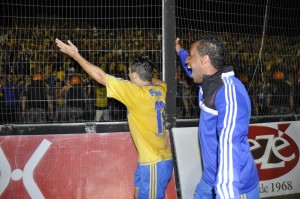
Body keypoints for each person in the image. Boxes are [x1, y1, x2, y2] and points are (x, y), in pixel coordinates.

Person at [55, 38, 173, 199]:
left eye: (130, 72)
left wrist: (76, 55)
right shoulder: (161, 89)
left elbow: (101, 77)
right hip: (152, 160)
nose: (128, 75)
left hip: (154, 164)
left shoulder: (135, 93)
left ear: (135, 75)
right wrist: (145, 75)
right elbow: (161, 82)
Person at [175, 36, 259, 199]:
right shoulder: (208, 83)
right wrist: (179, 49)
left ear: (205, 59)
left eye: (191, 56)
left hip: (234, 186)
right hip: (210, 180)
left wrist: (226, 193)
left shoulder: (229, 93)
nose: (187, 62)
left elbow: (229, 145)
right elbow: (190, 66)